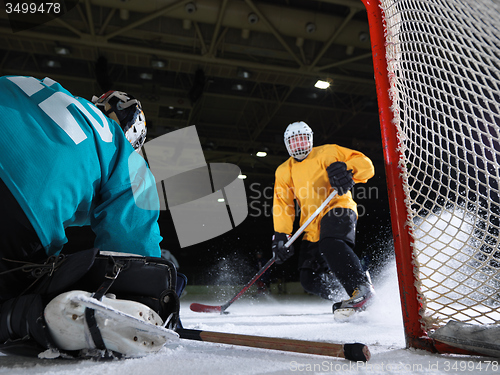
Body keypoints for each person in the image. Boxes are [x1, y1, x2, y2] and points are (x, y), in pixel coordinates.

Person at [0, 76, 181, 357]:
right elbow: (133, 249)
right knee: (23, 295)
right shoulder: (124, 153)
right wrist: (150, 300)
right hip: (21, 200)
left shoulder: (55, 97)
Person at [271, 121, 375, 320]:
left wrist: (347, 170)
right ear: (287, 145)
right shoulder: (283, 171)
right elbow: (283, 204)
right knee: (308, 279)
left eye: (302, 139)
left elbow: (366, 164)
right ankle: (350, 296)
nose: (299, 144)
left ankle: (361, 288)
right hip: (311, 225)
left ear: (310, 139)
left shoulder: (328, 152)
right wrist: (281, 235)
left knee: (331, 243)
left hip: (338, 207)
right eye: (293, 141)